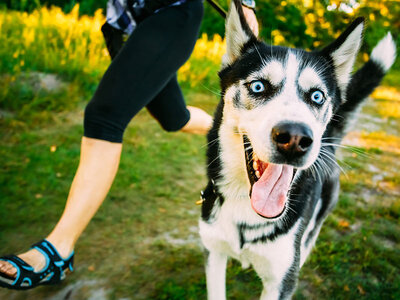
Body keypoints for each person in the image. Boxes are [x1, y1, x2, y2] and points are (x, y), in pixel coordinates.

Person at [0, 0, 258, 290]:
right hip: (130, 23)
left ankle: (58, 250)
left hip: (171, 11)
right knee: (174, 117)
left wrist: (245, 6)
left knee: (104, 117)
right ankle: (238, 134)